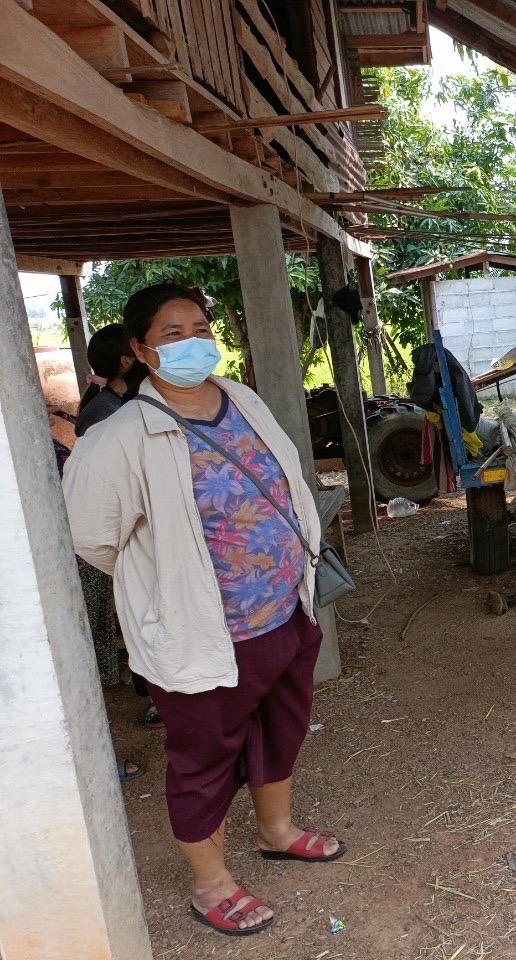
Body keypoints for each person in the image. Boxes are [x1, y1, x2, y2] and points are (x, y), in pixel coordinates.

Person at [63, 283, 346, 937]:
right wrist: (162, 588)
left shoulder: (242, 400)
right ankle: (211, 884)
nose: (192, 342)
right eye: (171, 334)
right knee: (203, 757)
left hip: (284, 614)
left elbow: (289, 481)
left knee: (282, 729)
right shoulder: (124, 433)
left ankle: (277, 831)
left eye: (199, 328)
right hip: (204, 634)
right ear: (139, 350)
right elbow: (91, 535)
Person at [73, 323, 163, 732]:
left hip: (145, 529)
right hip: (129, 536)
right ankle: (157, 697)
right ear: (128, 360)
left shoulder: (119, 403)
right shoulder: (103, 417)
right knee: (142, 611)